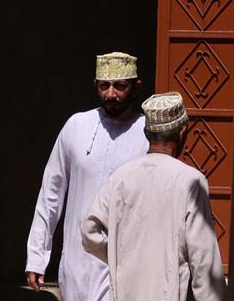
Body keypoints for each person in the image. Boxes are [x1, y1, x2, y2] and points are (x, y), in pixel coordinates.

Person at [25, 52, 149, 301]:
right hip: (77, 262)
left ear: (136, 88)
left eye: (119, 86)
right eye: (104, 86)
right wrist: (37, 257)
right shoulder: (77, 126)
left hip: (124, 262)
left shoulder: (146, 134)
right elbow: (51, 193)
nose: (110, 94)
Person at [81, 92, 225, 301]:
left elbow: (89, 232)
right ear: (182, 132)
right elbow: (204, 261)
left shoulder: (121, 176)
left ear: (146, 132)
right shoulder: (190, 181)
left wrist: (122, 258)